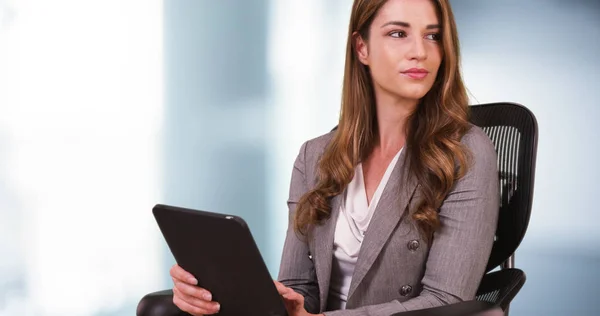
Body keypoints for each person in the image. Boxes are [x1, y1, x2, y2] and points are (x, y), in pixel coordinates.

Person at [168, 0, 499, 315]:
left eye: (433, 35)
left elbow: (445, 301)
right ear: (362, 48)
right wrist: (212, 293)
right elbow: (299, 288)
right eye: (398, 33)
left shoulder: (465, 152)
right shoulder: (315, 157)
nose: (420, 52)